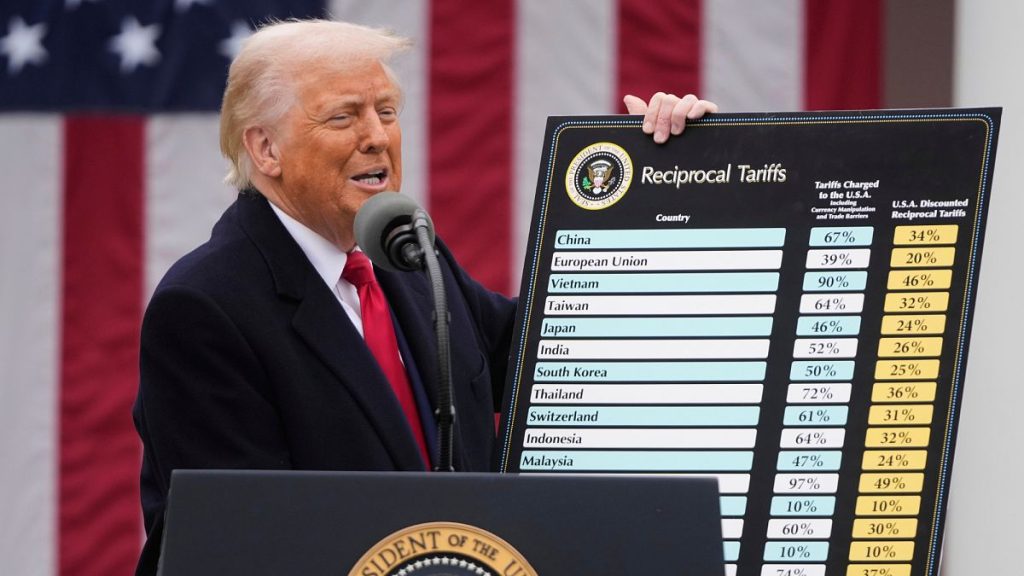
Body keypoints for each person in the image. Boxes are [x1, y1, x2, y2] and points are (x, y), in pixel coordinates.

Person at [132, 18, 717, 575]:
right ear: (265, 149)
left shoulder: (409, 257)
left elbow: (559, 354)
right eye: (343, 117)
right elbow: (242, 542)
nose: (377, 137)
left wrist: (666, 182)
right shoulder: (204, 308)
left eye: (387, 111)